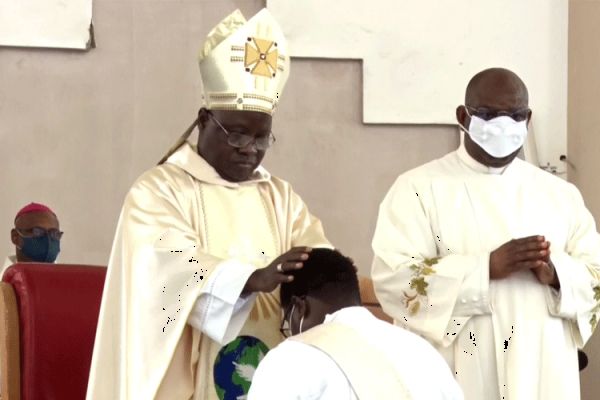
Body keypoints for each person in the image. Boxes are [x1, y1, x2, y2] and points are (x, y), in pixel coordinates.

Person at [86, 8, 330, 400]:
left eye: (261, 138)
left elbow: (317, 257)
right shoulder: (158, 191)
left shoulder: (281, 199)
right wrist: (248, 280)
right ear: (204, 120)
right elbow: (162, 267)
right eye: (236, 135)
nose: (249, 150)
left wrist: (317, 280)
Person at [371, 67, 600, 400]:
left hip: (542, 369)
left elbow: (595, 275)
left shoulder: (560, 195)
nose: (503, 126)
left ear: (528, 118)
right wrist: (485, 268)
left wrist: (556, 276)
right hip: (459, 370)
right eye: (490, 115)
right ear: (463, 116)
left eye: (515, 115)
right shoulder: (418, 188)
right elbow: (393, 279)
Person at [248, 248, 464, 400]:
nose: (292, 333)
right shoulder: (421, 350)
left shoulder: (291, 357)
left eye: (288, 323)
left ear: (299, 308)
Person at [2, 202, 62, 275]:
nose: (48, 239)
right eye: (37, 231)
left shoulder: (70, 281)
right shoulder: (3, 284)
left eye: (54, 233)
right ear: (15, 237)